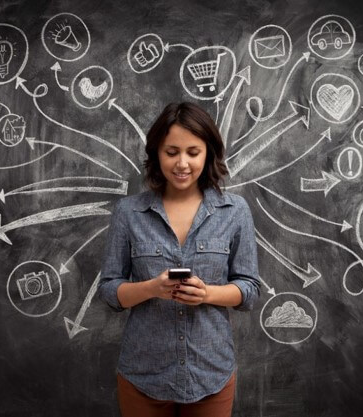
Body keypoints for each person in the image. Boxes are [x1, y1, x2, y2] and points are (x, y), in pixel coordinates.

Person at [98, 102, 260, 417]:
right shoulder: (129, 213)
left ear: (208, 154)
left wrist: (208, 294)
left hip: (211, 373)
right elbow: (109, 290)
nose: (182, 163)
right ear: (157, 154)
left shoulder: (235, 211)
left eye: (193, 152)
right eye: (172, 152)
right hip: (143, 374)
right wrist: (151, 288)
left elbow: (249, 290)